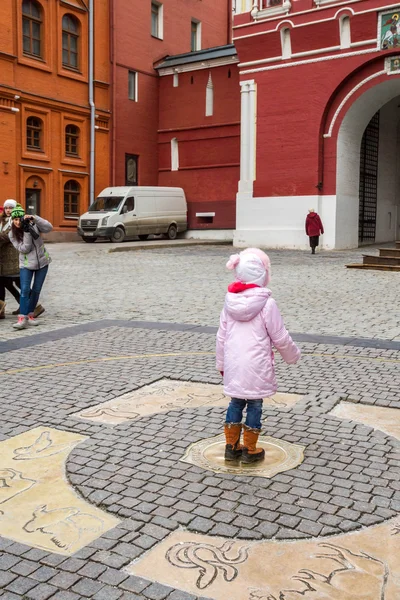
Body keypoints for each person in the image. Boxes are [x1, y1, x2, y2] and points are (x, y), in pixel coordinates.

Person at [216, 248, 301, 464]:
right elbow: (279, 336)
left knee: (236, 402)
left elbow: (221, 337)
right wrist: (292, 355)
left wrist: (221, 363)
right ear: (263, 276)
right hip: (257, 365)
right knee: (254, 404)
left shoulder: (229, 302)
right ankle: (250, 449)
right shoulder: (267, 304)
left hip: (235, 364)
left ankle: (231, 446)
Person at [8, 204, 52, 330]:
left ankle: (31, 315)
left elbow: (49, 228)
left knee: (36, 290)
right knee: (25, 290)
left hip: (42, 263)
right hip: (26, 265)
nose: (17, 222)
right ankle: (22, 318)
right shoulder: (12, 234)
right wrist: (27, 232)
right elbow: (24, 249)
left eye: (19, 219)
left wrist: (35, 218)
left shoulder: (34, 224)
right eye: (15, 219)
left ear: (24, 217)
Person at [0, 200, 45, 319]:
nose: (8, 210)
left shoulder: (15, 221)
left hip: (14, 258)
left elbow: (6, 236)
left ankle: (34, 306)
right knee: (5, 282)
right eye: (6, 208)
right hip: (4, 259)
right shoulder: (3, 221)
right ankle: (7, 308)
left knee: (17, 282)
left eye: (10, 207)